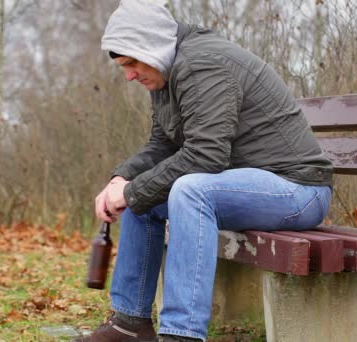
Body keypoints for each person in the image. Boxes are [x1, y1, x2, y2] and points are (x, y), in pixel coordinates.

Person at [78, 1, 333, 341]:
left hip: (297, 190)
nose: (129, 75)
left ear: (151, 46)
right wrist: (122, 180)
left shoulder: (202, 64)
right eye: (123, 66)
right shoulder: (166, 73)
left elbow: (206, 156)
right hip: (248, 189)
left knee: (188, 189)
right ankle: (130, 324)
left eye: (132, 62)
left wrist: (131, 190)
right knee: (143, 195)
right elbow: (163, 146)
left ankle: (181, 334)